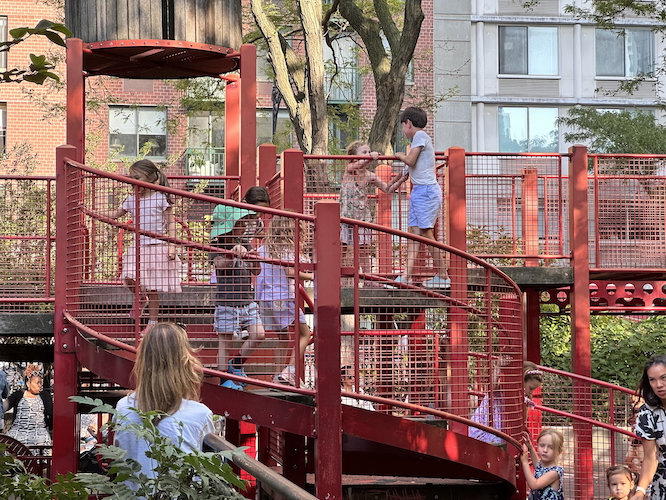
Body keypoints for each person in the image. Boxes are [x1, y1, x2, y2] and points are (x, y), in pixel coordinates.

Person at [113, 323, 214, 479]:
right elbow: (210, 471)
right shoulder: (200, 415)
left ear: (143, 360)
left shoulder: (123, 408)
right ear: (184, 361)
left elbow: (118, 459)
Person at [98, 159, 181, 329]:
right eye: (132, 178)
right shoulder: (131, 199)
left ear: (151, 177)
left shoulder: (160, 198)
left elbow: (171, 223)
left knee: (152, 287)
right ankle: (141, 297)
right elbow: (116, 213)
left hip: (156, 246)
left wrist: (172, 246)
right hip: (139, 247)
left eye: (138, 178)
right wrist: (95, 213)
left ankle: (152, 322)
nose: (134, 182)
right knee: (129, 276)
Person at [210, 186, 270, 390]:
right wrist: (231, 254)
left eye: (245, 223)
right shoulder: (218, 244)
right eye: (241, 223)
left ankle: (236, 364)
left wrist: (253, 258)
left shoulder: (247, 244)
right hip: (227, 302)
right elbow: (219, 265)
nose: (245, 227)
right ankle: (223, 380)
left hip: (247, 301)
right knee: (225, 342)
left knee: (259, 334)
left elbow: (257, 271)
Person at [387, 107, 449, 288]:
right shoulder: (416, 144)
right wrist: (389, 186)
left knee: (425, 232)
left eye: (403, 126)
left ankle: (443, 276)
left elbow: (409, 160)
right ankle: (406, 276)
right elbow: (406, 172)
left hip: (426, 192)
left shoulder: (420, 136)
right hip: (419, 193)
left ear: (408, 123)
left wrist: (399, 155)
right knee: (414, 233)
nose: (403, 131)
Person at [256, 214, 313, 386]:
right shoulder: (286, 250)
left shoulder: (263, 249)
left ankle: (278, 375)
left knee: (283, 338)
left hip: (265, 298)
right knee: (305, 333)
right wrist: (313, 276)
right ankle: (290, 371)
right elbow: (290, 272)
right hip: (282, 296)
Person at [339, 140, 390, 282]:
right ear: (354, 157)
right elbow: (357, 165)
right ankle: (338, 278)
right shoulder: (350, 169)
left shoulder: (369, 175)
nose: (368, 154)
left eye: (369, 151)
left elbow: (387, 188)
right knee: (342, 248)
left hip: (362, 217)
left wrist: (400, 179)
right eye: (364, 152)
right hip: (346, 216)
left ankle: (368, 280)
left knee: (364, 251)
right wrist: (370, 158)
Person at [470, 360, 543, 445]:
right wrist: (498, 367)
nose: (531, 392)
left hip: (500, 431)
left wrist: (523, 404)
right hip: (485, 427)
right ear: (521, 381)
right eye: (530, 388)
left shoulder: (524, 398)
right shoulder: (503, 387)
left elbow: (522, 420)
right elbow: (491, 387)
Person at [630, 354, 666, 499]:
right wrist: (640, 491)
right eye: (652, 380)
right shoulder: (647, 413)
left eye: (663, 377)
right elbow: (651, 457)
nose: (658, 384)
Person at [3, 364, 53, 447]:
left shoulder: (45, 395)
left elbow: (51, 413)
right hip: (17, 431)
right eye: (37, 383)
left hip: (39, 432)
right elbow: (3, 407)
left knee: (43, 442)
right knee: (10, 444)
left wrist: (50, 428)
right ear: (28, 384)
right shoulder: (18, 394)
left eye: (41, 383)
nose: (40, 385)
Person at [520, 428, 565, 500]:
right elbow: (538, 466)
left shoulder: (555, 472)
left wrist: (525, 462)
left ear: (559, 451)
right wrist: (530, 447)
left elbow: (534, 485)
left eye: (550, 447)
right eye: (542, 445)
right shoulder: (543, 465)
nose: (545, 450)